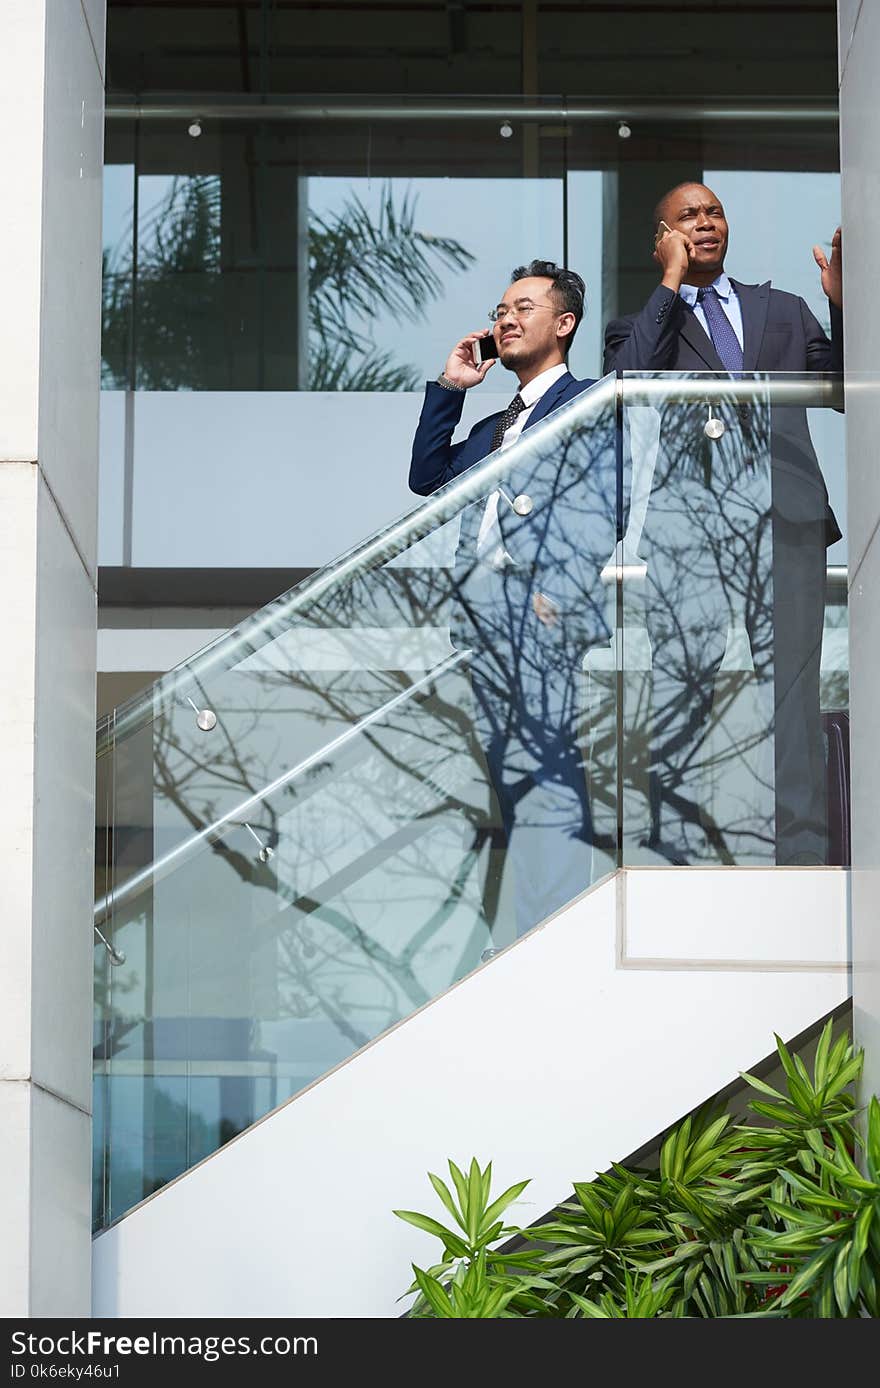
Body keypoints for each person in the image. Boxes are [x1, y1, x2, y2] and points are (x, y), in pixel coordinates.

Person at [603, 181, 843, 866]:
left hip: (785, 519)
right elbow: (629, 383)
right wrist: (672, 285)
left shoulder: (784, 309)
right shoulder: (642, 321)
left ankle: (803, 861)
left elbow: (844, 391)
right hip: (693, 534)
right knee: (685, 689)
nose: (705, 223)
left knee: (793, 696)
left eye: (713, 212)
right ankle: (674, 858)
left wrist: (840, 303)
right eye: (687, 217)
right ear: (662, 238)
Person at [409, 260, 610, 940]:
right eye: (500, 310)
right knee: (513, 780)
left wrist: (561, 585)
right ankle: (531, 928)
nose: (506, 319)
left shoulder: (589, 401)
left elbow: (605, 495)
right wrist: (452, 387)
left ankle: (553, 928)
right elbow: (427, 476)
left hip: (541, 614)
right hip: (481, 621)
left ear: (564, 323)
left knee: (549, 774)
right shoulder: (497, 424)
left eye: (523, 307)